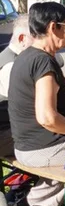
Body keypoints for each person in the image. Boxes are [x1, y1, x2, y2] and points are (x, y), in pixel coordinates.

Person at [7, 3, 65, 206]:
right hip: (42, 149)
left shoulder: (27, 56)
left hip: (27, 146)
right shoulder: (42, 62)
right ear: (53, 27)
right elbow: (47, 118)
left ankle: (34, 205)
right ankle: (33, 205)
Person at [0, 15, 32, 158]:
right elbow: (35, 111)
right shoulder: (12, 66)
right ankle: (44, 181)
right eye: (38, 38)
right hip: (6, 134)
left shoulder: (9, 58)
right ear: (22, 39)